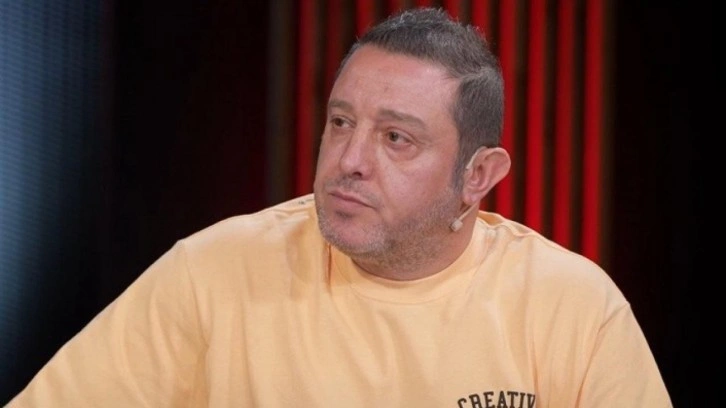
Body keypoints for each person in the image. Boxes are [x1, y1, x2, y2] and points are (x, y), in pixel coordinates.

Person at [7, 7, 672, 407]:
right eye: (340, 122)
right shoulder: (214, 271)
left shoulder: (572, 307)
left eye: (396, 138)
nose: (350, 159)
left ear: (478, 175)